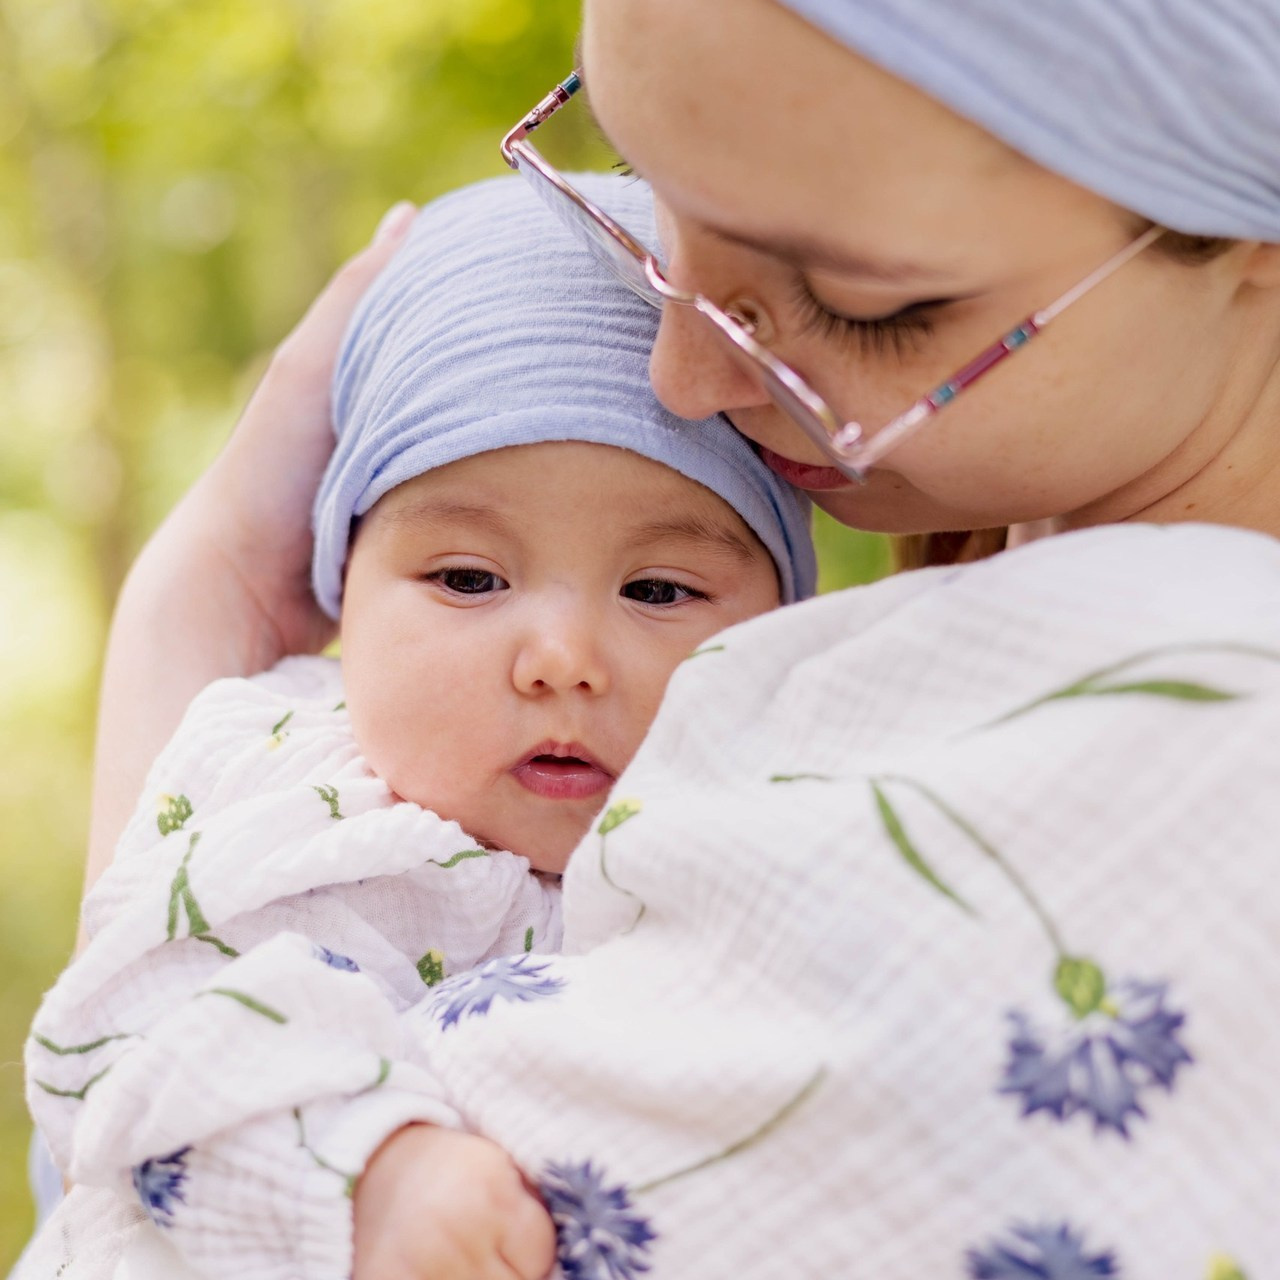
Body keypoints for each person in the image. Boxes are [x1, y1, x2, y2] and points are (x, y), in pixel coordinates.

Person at [43, 0, 1280, 1276]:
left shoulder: (1193, 745)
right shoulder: (929, 627)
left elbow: (148, 1218)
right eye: (644, 187)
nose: (678, 376)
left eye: (856, 299)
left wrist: (198, 613)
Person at [16, 174, 811, 1279]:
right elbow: (133, 1023)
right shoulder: (292, 784)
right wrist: (368, 1171)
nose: (563, 660)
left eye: (661, 590)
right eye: (470, 575)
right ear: (343, 589)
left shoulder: (786, 833)